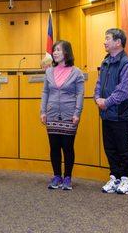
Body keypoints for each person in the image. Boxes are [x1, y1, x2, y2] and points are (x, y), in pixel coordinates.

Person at [94, 28, 128, 195]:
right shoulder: (105, 62)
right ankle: (115, 177)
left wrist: (106, 102)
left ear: (118, 42)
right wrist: (97, 98)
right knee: (110, 148)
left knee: (125, 149)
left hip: (122, 115)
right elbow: (99, 84)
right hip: (107, 115)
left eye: (108, 38)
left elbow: (123, 90)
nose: (104, 42)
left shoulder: (127, 63)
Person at [40, 40, 85, 191]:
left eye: (58, 50)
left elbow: (80, 94)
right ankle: (57, 176)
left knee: (67, 147)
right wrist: (43, 111)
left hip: (69, 115)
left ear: (66, 52)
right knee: (54, 147)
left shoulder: (76, 72)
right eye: (54, 50)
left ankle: (67, 177)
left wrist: (77, 113)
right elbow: (45, 92)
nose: (55, 52)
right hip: (52, 114)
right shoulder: (48, 72)